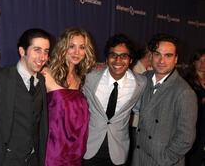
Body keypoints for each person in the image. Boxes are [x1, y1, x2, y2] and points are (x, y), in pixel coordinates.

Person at [131, 33, 198, 166]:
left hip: (163, 161)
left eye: (168, 55)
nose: (161, 61)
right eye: (157, 54)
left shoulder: (184, 92)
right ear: (151, 56)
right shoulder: (144, 78)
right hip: (139, 159)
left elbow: (186, 137)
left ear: (176, 59)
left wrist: (164, 159)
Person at [82, 34, 147, 166]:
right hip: (88, 147)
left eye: (124, 56)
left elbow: (139, 108)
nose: (118, 60)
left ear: (131, 60)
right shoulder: (89, 77)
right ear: (106, 59)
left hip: (119, 150)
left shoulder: (140, 83)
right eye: (113, 55)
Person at [0, 29, 51, 166]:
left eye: (46, 51)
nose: (42, 57)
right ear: (22, 51)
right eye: (37, 50)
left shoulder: (42, 81)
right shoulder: (1, 78)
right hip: (6, 159)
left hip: (33, 159)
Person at [42, 27, 96, 166]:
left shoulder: (81, 79)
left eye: (82, 47)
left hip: (76, 149)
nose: (77, 52)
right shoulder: (46, 73)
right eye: (71, 46)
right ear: (63, 47)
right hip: (52, 148)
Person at [185, 49, 205, 166]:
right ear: (194, 62)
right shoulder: (187, 81)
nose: (203, 64)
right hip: (196, 128)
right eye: (200, 61)